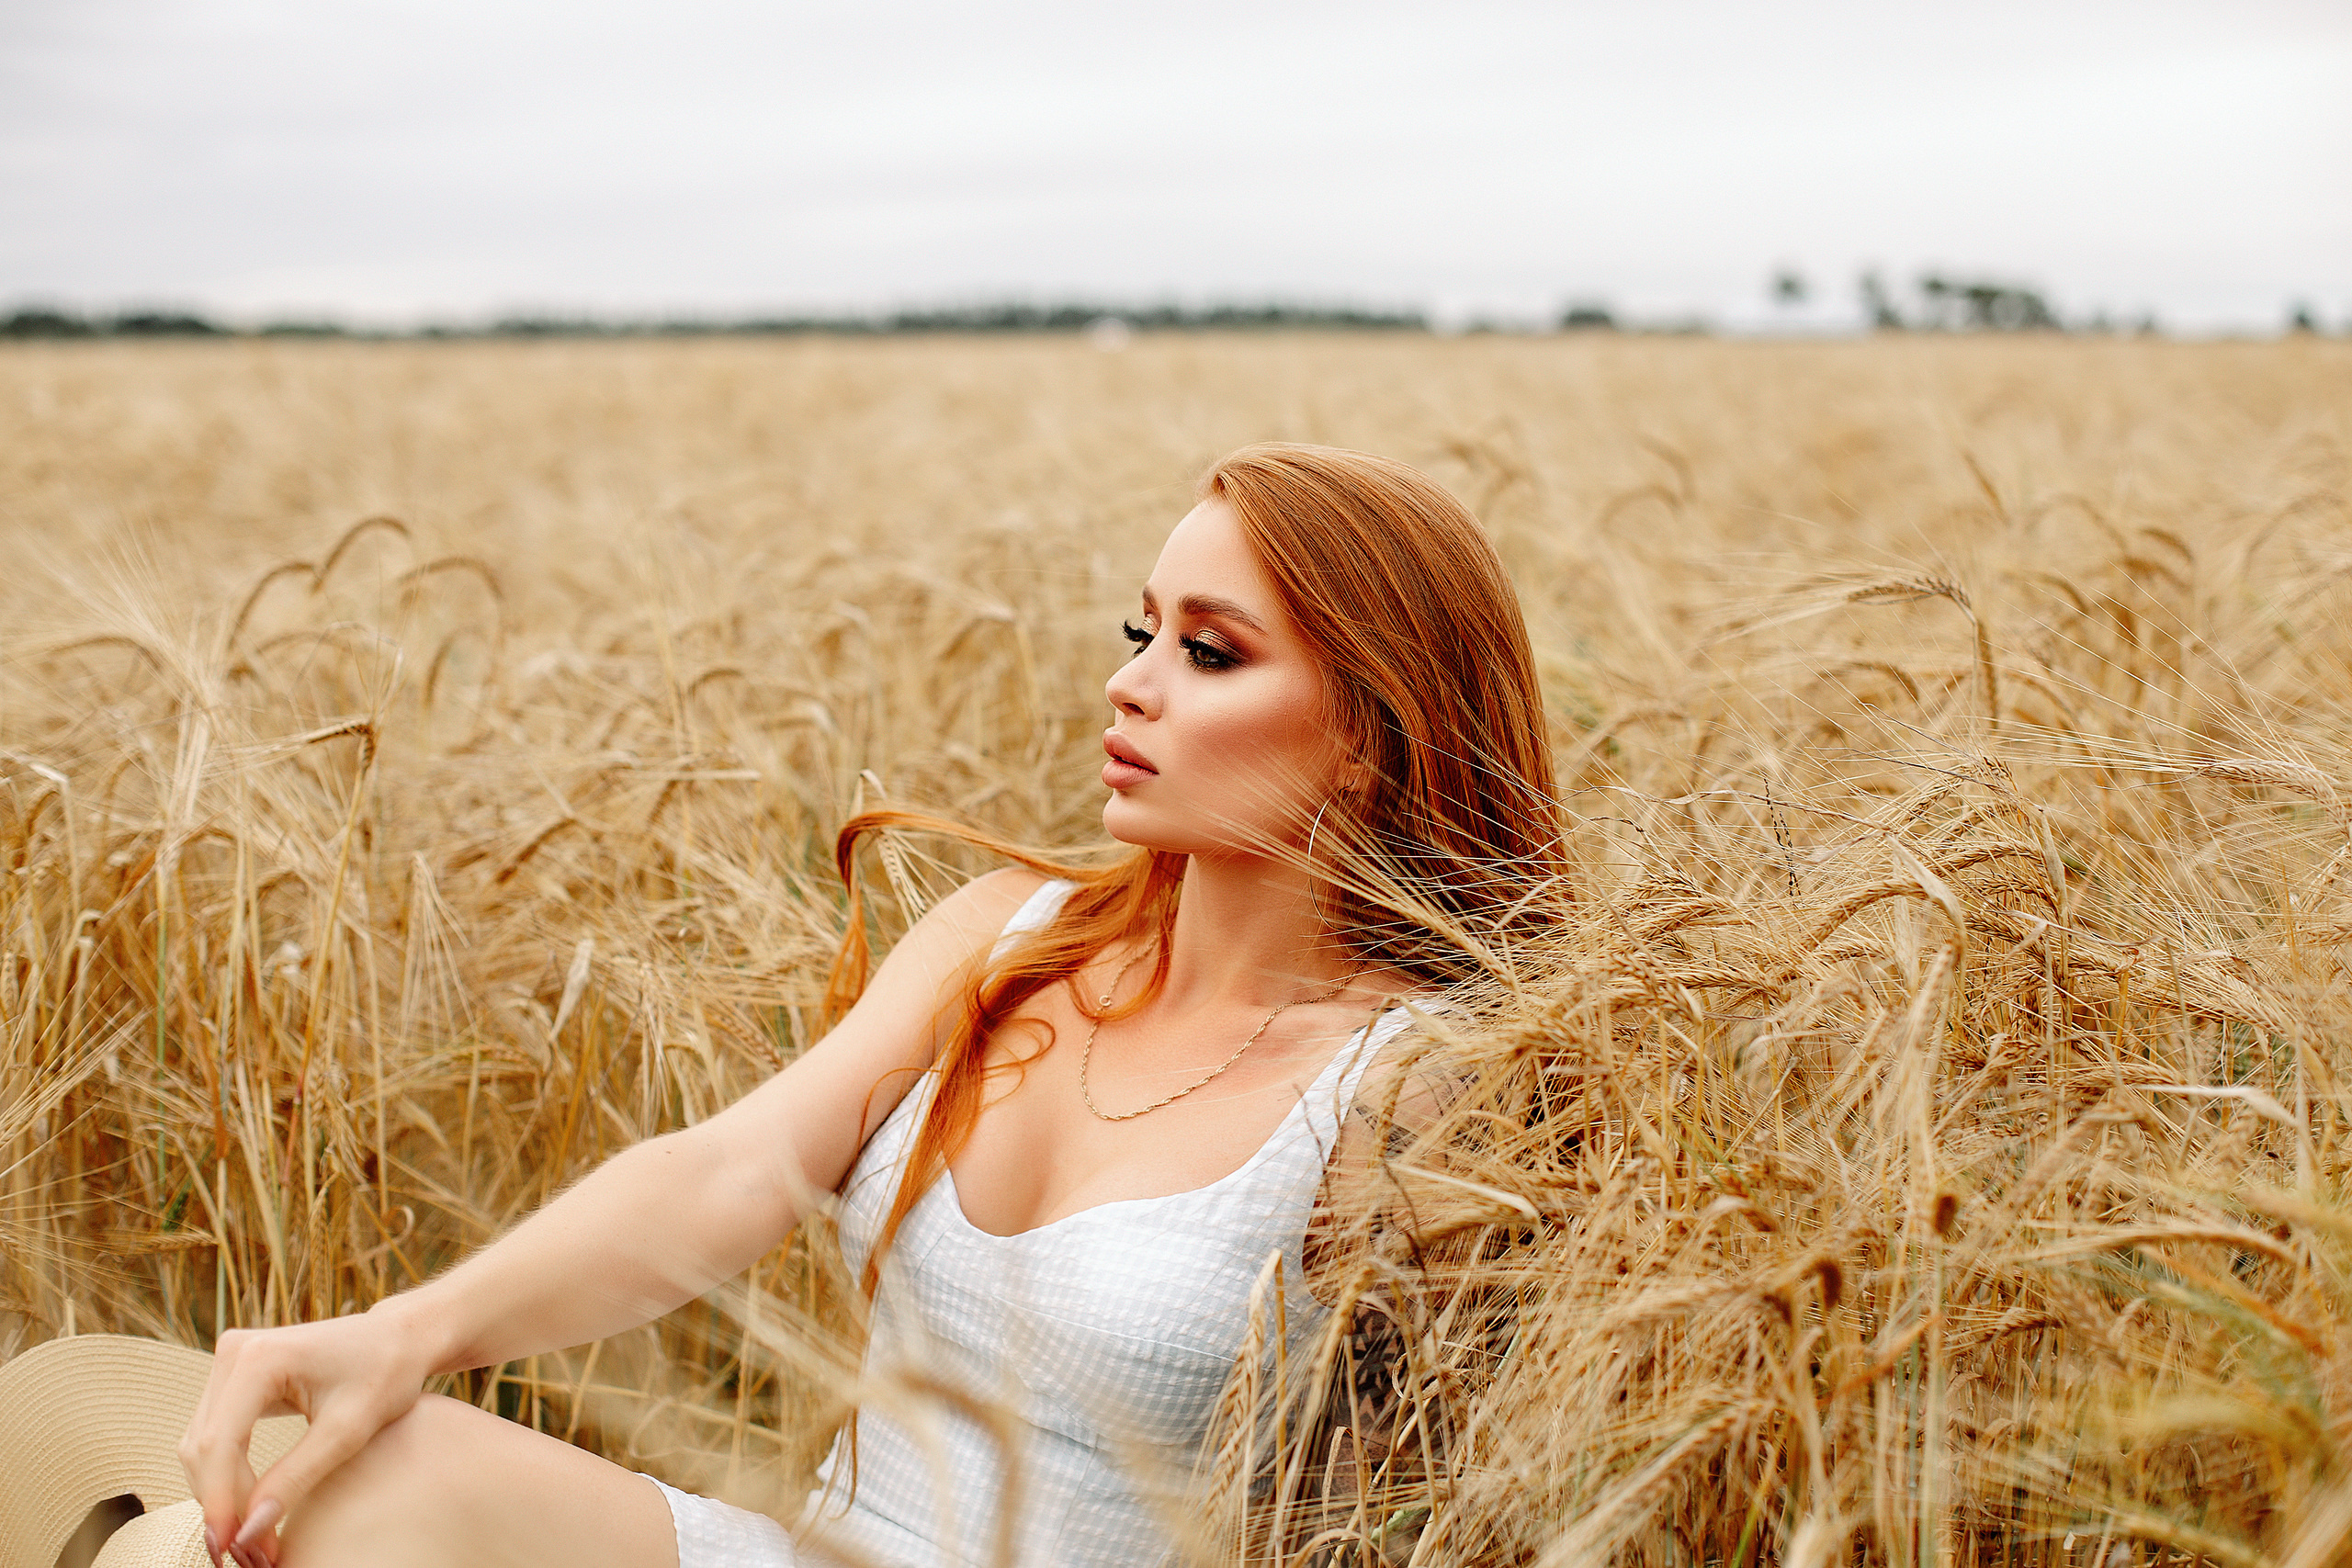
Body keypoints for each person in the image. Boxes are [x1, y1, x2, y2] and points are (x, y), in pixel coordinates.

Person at [173, 443, 1565, 1568]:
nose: (1127, 683)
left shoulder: (1409, 1088)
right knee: (357, 1480)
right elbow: (732, 1165)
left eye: (1210, 653)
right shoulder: (1003, 942)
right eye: (1142, 629)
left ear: (1376, 732)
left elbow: (1445, 1508)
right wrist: (409, 1330)